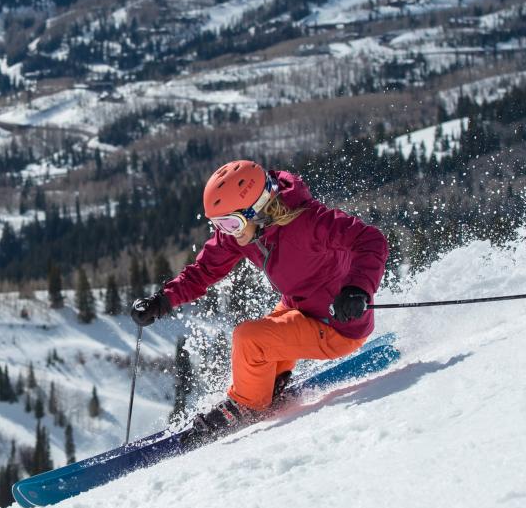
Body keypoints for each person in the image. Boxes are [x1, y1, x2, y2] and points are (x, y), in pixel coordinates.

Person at [130, 160, 388, 444]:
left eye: (230, 223)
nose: (226, 232)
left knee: (250, 338)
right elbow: (204, 271)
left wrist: (357, 290)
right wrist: (162, 301)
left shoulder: (310, 222)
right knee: (261, 340)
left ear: (259, 209)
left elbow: (371, 240)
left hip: (339, 323)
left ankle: (246, 407)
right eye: (218, 224)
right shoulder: (242, 234)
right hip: (300, 310)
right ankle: (269, 387)